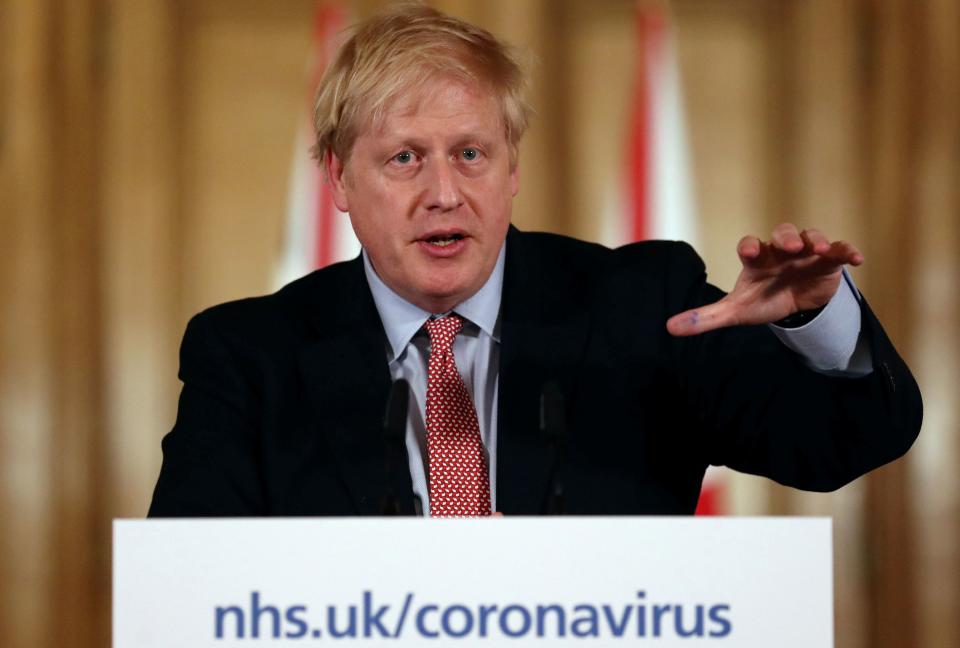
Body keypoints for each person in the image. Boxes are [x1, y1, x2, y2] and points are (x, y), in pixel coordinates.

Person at [148, 4, 921, 518]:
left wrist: (817, 317)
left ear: (512, 169)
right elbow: (192, 581)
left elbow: (838, 444)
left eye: (472, 153)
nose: (444, 193)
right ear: (340, 180)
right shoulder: (250, 355)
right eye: (405, 158)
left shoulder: (641, 307)